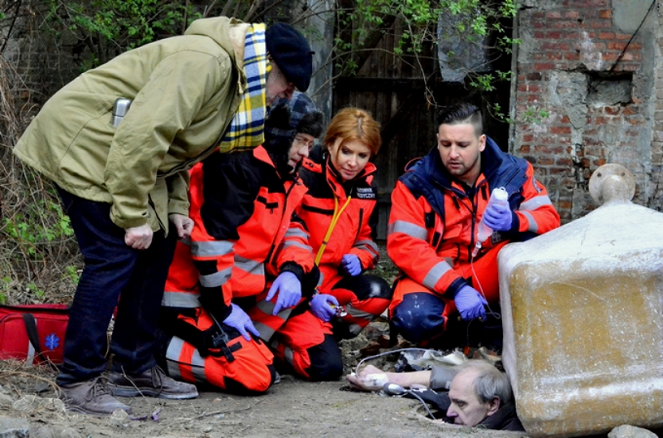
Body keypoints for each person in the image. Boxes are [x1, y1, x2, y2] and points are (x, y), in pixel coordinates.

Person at [13, 17, 314, 415]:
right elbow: (143, 134)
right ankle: (79, 380)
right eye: (287, 85)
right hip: (86, 145)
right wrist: (133, 213)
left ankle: (133, 367)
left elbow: (178, 147)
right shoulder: (206, 63)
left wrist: (175, 209)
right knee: (113, 255)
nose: (283, 96)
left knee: (159, 247)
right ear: (269, 64)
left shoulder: (232, 77)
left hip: (122, 154)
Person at [159, 95, 326, 392]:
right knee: (255, 376)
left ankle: (248, 349)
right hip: (188, 298)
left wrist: (293, 271)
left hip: (229, 296)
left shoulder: (284, 177)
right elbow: (211, 246)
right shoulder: (236, 167)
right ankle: (153, 349)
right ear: (281, 134)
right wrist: (223, 311)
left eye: (310, 144)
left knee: (303, 280)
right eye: (300, 141)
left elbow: (292, 230)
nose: (305, 152)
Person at [387, 103, 560, 348]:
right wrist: (456, 288)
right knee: (414, 320)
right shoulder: (414, 184)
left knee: (530, 246)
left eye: (462, 145)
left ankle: (499, 331)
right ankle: (458, 335)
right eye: (445, 144)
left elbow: (550, 221)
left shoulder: (515, 173)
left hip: (487, 270)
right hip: (438, 276)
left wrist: (514, 222)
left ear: (481, 143)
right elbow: (406, 247)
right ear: (437, 140)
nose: (453, 154)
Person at [270, 107, 392, 380]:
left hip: (333, 283)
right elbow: (282, 236)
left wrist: (360, 256)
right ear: (330, 143)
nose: (353, 162)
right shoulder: (303, 175)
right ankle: (273, 345)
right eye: (346, 151)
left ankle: (325, 335)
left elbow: (368, 239)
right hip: (295, 281)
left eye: (363, 155)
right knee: (326, 368)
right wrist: (308, 294)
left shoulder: (366, 186)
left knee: (378, 292)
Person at [346, 360, 524, 430]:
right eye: (451, 401)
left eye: (461, 404)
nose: (449, 413)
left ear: (492, 405)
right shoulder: (476, 405)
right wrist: (384, 380)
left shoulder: (511, 429)